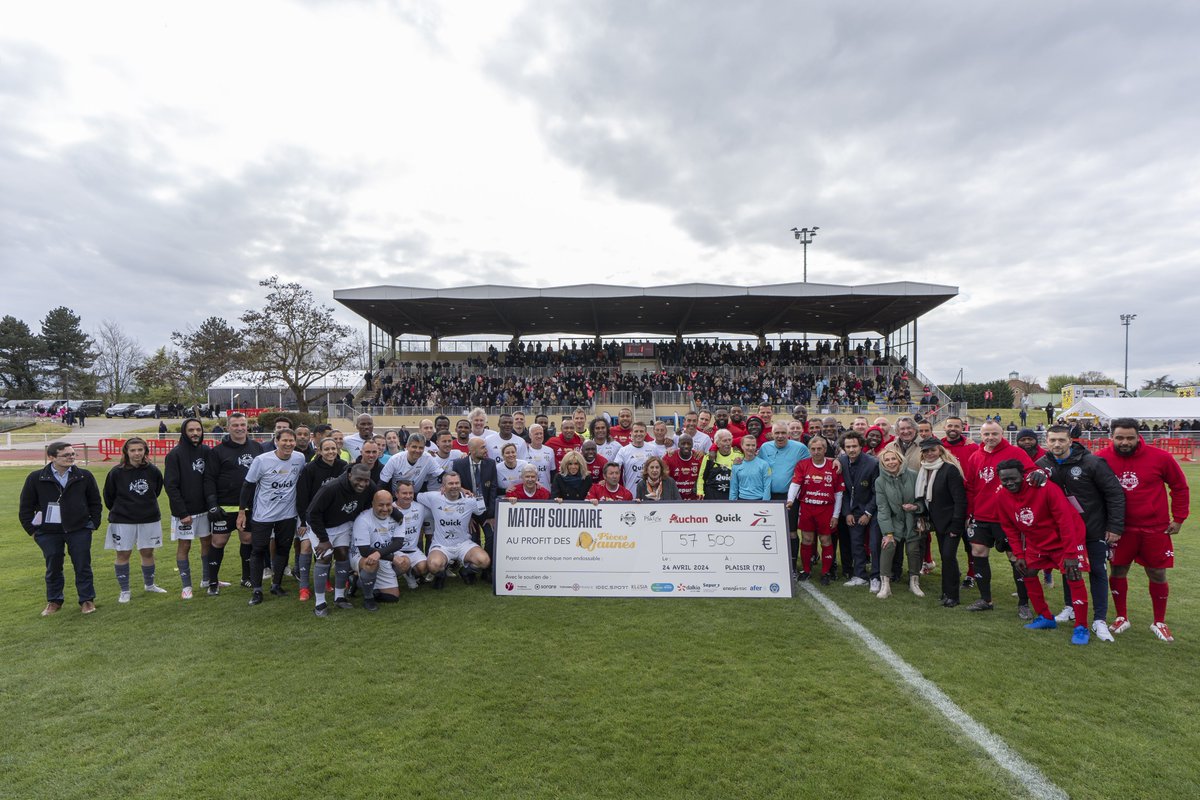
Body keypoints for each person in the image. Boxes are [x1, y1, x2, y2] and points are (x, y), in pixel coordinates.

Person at [1096, 417, 1190, 641]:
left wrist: (1179, 518)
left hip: (1155, 528)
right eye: (1119, 437)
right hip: (1119, 529)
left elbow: (1179, 487)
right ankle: (1121, 617)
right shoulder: (1100, 459)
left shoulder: (1161, 458)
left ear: (1139, 437)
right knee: (1118, 570)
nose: (1125, 442)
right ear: (1111, 437)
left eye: (1130, 437)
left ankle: (1159, 621)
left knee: (1157, 572)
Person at [1037, 424, 1125, 641]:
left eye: (1061, 440)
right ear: (1046, 442)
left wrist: (1114, 527)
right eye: (1052, 440)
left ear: (1070, 441)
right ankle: (1070, 607)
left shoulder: (1092, 462)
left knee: (1097, 571)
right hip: (1064, 532)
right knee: (1069, 569)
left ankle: (1099, 619)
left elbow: (1114, 494)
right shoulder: (1041, 464)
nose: (1057, 444)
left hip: (1093, 528)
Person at [994, 460, 1092, 645]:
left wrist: (1071, 554)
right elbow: (1009, 528)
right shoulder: (1001, 497)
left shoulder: (1046, 488)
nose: (1009, 483)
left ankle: (1081, 626)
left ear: (1023, 475)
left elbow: (1065, 521)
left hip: (1065, 540)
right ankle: (1045, 617)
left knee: (1073, 575)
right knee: (1028, 571)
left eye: (1013, 478)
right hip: (1037, 541)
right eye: (1004, 479)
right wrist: (1019, 555)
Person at [963, 420, 1040, 616]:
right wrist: (970, 513)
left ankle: (1023, 603)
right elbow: (971, 488)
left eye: (994, 434)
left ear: (1002, 434)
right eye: (986, 434)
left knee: (1015, 557)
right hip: (981, 516)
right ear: (981, 435)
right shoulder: (975, 456)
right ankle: (985, 599)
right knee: (978, 552)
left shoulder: (1016, 453)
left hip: (1007, 516)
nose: (990, 438)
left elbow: (1030, 475)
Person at [19, 442, 102, 615]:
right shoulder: (36, 477)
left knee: (82, 566)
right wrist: (34, 531)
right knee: (53, 567)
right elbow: (25, 507)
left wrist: (92, 524)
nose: (71, 457)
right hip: (48, 533)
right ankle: (54, 601)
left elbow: (95, 502)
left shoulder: (84, 476)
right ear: (51, 457)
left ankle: (87, 600)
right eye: (66, 455)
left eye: (73, 454)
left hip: (79, 529)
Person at [239, 428, 307, 606]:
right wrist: (241, 511)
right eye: (284, 440)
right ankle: (257, 590)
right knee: (258, 550)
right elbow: (247, 486)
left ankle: (276, 585)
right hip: (263, 515)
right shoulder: (262, 460)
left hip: (287, 514)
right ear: (276, 441)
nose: (288, 444)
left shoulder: (299, 458)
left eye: (291, 441)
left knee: (284, 549)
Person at [304, 463, 376, 616]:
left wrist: (396, 514)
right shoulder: (331, 488)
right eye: (359, 479)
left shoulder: (368, 485)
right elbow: (312, 513)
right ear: (350, 475)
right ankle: (320, 603)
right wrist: (323, 539)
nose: (362, 484)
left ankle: (339, 597)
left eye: (366, 480)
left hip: (342, 524)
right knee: (325, 557)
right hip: (320, 526)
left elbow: (378, 496)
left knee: (343, 554)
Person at [204, 411, 264, 592]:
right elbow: (209, 479)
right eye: (235, 425)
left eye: (242, 425)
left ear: (247, 426)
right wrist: (212, 504)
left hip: (250, 506)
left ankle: (246, 578)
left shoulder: (257, 447)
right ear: (228, 427)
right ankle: (212, 582)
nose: (239, 428)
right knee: (218, 542)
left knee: (248, 539)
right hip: (225, 506)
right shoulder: (218, 451)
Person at [102, 437, 167, 602]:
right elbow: (109, 497)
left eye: (140, 449)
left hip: (149, 518)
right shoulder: (116, 472)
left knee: (147, 551)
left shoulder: (153, 471)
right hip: (122, 520)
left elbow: (156, 491)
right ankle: (125, 591)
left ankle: (150, 585)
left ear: (145, 451)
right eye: (133, 450)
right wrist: (124, 509)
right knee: (123, 553)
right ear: (126, 452)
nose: (137, 453)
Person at [294, 436, 348, 602]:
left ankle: (327, 581)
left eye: (333, 449)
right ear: (319, 451)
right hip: (310, 516)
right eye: (327, 449)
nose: (331, 452)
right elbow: (302, 497)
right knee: (306, 546)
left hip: (333, 517)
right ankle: (303, 587)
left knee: (334, 549)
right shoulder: (310, 469)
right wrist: (303, 521)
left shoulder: (343, 467)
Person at [164, 418, 213, 600]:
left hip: (205, 510)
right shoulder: (174, 455)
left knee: (207, 543)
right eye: (191, 430)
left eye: (198, 430)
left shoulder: (206, 451)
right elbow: (170, 486)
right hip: (185, 513)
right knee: (185, 545)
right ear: (184, 432)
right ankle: (186, 586)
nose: (195, 433)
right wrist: (182, 512)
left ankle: (207, 580)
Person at [915, 438, 968, 607]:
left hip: (951, 522)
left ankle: (953, 595)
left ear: (940, 451)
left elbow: (960, 500)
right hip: (938, 522)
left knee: (948, 557)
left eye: (933, 450)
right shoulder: (924, 469)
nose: (930, 454)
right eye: (926, 451)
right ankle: (946, 592)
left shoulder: (949, 470)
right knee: (946, 558)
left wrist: (956, 525)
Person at [787, 435, 845, 584]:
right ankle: (806, 570)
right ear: (809, 450)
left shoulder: (833, 466)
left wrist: (836, 515)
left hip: (826, 509)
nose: (816, 451)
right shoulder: (802, 464)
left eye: (819, 448)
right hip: (807, 508)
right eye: (813, 449)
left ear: (825, 449)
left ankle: (825, 572)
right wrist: (790, 500)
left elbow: (838, 493)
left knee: (825, 540)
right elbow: (796, 483)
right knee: (807, 539)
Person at [418, 471, 491, 588]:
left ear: (461, 485)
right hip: (441, 545)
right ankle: (441, 574)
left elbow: (482, 510)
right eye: (450, 483)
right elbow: (415, 496)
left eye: (457, 483)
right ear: (443, 486)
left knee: (484, 561)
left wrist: (476, 497)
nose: (454, 486)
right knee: (433, 566)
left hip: (463, 544)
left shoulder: (469, 500)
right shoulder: (433, 497)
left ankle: (465, 571)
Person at [351, 489, 414, 611]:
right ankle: (368, 598)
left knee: (405, 563)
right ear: (373, 504)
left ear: (392, 504)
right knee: (372, 563)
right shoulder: (363, 519)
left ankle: (360, 581)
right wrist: (390, 557)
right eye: (381, 505)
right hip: (361, 555)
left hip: (383, 553)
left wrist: (381, 554)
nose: (385, 508)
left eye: (388, 504)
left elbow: (398, 543)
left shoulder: (398, 517)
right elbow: (364, 550)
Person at [874, 449, 923, 598]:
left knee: (913, 550)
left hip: (912, 520)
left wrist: (916, 507)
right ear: (883, 463)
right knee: (887, 545)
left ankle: (914, 582)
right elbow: (882, 508)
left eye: (893, 459)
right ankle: (885, 585)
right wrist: (888, 533)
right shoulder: (880, 481)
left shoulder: (914, 475)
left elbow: (923, 499)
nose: (891, 462)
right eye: (886, 460)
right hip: (894, 521)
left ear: (900, 460)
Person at [450, 437, 500, 574]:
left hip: (485, 512)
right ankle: (469, 570)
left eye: (486, 447)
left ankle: (487, 570)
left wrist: (491, 515)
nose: (486, 450)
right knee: (473, 539)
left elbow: (493, 489)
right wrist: (466, 517)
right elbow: (457, 491)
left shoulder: (490, 464)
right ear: (471, 450)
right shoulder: (459, 464)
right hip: (468, 512)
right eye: (483, 447)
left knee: (491, 536)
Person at [837, 431, 879, 589]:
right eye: (848, 447)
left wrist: (868, 513)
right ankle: (860, 575)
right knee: (856, 544)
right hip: (853, 510)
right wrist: (847, 512)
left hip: (873, 510)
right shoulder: (841, 461)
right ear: (843, 448)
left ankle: (876, 576)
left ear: (861, 446)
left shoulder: (872, 463)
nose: (851, 449)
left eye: (854, 446)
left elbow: (877, 492)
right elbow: (845, 491)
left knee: (874, 544)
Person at [697, 429, 739, 501]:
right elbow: (701, 476)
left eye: (729, 440)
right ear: (717, 443)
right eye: (724, 441)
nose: (728, 443)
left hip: (730, 496)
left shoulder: (738, 455)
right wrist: (700, 492)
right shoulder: (709, 456)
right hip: (712, 495)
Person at [616, 421, 653, 495]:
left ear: (646, 433)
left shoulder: (653, 449)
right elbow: (615, 468)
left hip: (650, 495)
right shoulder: (623, 450)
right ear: (631, 433)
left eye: (641, 431)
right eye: (636, 431)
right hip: (630, 494)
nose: (639, 434)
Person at [730, 436, 771, 500]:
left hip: (759, 500)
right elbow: (733, 488)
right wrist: (732, 504)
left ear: (756, 446)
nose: (751, 448)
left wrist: (764, 503)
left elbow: (767, 486)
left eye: (753, 445)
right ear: (742, 446)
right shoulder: (736, 465)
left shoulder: (764, 464)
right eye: (748, 445)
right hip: (742, 500)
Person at [664, 434, 702, 500]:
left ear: (692, 445)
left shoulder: (698, 457)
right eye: (683, 443)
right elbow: (664, 479)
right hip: (674, 500)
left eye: (689, 444)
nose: (686, 446)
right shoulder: (669, 457)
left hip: (694, 500)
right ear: (678, 444)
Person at [524, 424, 557, 491]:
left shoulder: (549, 451)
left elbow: (552, 473)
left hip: (545, 491)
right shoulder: (524, 450)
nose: (539, 436)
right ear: (530, 435)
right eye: (536, 434)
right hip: (529, 491)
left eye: (541, 433)